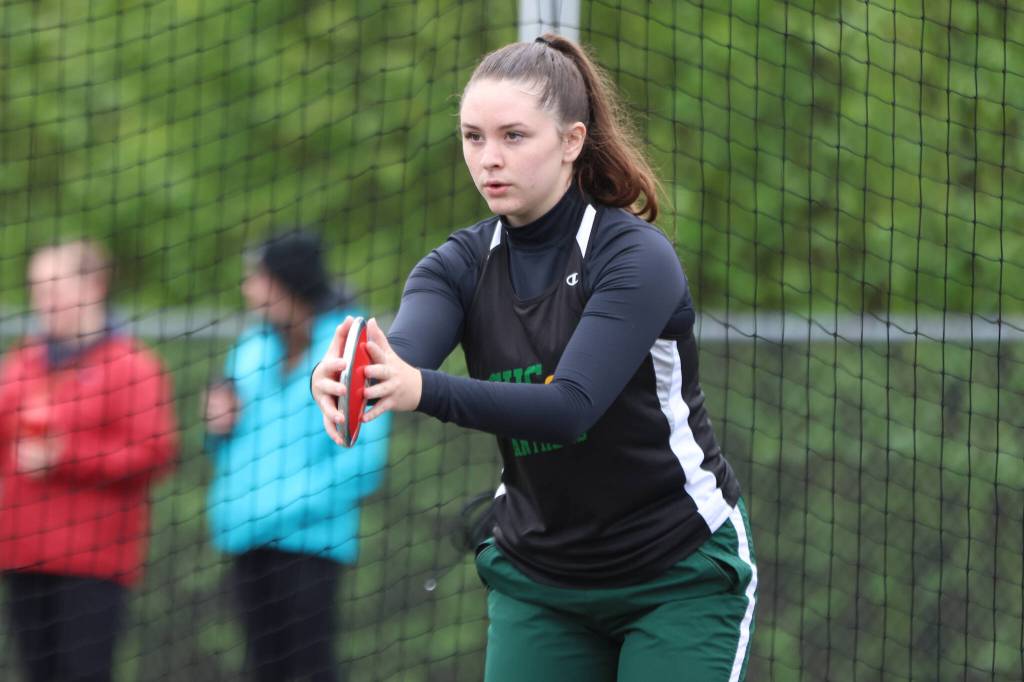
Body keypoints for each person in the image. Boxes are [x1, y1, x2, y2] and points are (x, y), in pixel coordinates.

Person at [312, 34, 759, 681]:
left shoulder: (633, 257)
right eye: (473, 137)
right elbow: (400, 358)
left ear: (572, 141)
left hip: (677, 568)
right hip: (542, 579)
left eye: (513, 136)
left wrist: (416, 388)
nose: (489, 158)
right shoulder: (458, 265)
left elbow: (568, 408)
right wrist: (356, 375)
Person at [203, 230, 391, 682]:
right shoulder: (247, 351)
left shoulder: (351, 351)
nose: (248, 289)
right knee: (262, 669)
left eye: (257, 277)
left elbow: (361, 462)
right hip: (247, 537)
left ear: (287, 282)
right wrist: (216, 427)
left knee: (309, 669)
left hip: (311, 543)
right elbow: (226, 447)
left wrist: (282, 507)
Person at [0, 240, 178, 682]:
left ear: (94, 285)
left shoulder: (132, 365)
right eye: (38, 288)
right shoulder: (23, 363)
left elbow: (154, 452)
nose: (46, 299)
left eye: (56, 285)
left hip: (92, 562)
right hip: (23, 554)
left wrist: (68, 456)